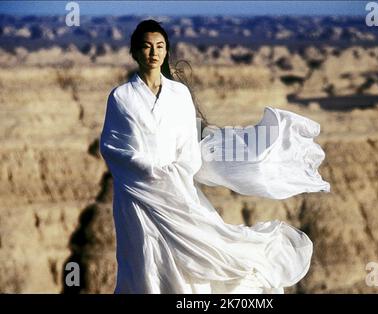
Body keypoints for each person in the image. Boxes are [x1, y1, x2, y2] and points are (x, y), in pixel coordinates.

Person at [100, 19, 330, 294]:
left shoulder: (179, 95)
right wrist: (152, 173)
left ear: (166, 51)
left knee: (192, 259)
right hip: (138, 195)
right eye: (147, 47)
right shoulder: (121, 97)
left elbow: (188, 145)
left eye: (160, 46)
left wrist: (175, 173)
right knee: (144, 259)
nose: (153, 53)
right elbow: (114, 148)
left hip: (178, 190)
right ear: (135, 52)